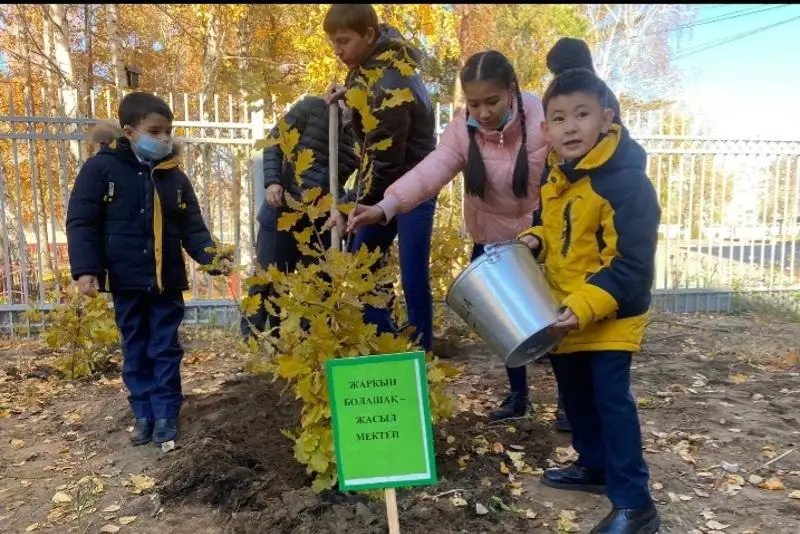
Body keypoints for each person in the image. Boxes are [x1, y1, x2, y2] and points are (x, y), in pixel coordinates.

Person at [345, 50, 552, 422]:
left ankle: (571, 405)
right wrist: (386, 206)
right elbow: (430, 172)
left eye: (492, 101)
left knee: (554, 321)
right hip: (490, 238)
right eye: (474, 103)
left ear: (511, 90)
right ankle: (518, 396)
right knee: (504, 323)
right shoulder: (462, 130)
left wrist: (545, 233)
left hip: (539, 236)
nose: (484, 112)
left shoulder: (541, 120)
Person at [518, 68, 661, 533]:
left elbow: (631, 264)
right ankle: (594, 467)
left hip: (611, 315)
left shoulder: (626, 183)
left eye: (582, 114)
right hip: (566, 312)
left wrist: (583, 306)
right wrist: (533, 239)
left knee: (610, 401)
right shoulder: (556, 176)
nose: (570, 126)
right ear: (546, 129)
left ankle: (634, 504)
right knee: (575, 397)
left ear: (607, 118)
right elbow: (551, 226)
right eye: (559, 118)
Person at [66, 92, 230, 447]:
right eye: (155, 131)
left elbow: (193, 228)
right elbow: (82, 222)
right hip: (125, 280)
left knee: (165, 347)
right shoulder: (101, 170)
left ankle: (167, 414)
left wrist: (213, 258)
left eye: (167, 131)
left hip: (165, 281)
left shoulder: (174, 177)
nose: (164, 138)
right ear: (129, 131)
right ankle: (143, 413)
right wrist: (86, 270)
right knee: (135, 347)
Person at [322, 3, 437, 353]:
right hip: (383, 182)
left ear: (369, 35)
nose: (338, 50)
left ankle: (420, 356)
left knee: (412, 274)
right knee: (364, 265)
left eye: (344, 41)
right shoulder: (364, 68)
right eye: (333, 42)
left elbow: (385, 158)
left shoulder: (389, 81)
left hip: (414, 186)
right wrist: (349, 100)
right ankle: (382, 345)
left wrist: (351, 206)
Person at [241, 95, 357, 340]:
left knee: (318, 284)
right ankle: (253, 343)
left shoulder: (364, 131)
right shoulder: (314, 108)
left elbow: (366, 180)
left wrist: (344, 208)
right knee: (268, 280)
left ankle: (308, 346)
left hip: (322, 221)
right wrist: (273, 182)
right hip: (283, 208)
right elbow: (275, 140)